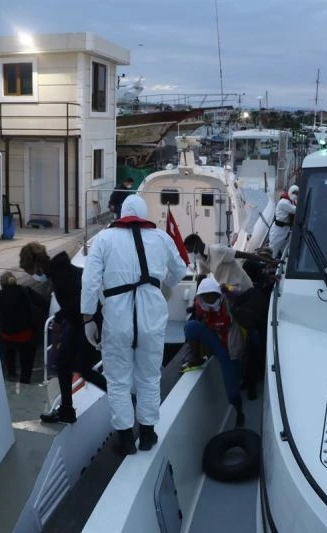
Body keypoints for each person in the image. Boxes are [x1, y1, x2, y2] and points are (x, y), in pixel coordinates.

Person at [81, 194, 187, 455]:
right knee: (150, 377)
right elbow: (180, 271)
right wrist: (165, 281)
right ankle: (148, 433)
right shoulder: (162, 238)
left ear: (121, 213)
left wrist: (87, 318)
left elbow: (90, 281)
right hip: (152, 318)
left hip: (117, 320)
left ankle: (126, 439)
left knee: (118, 380)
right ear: (144, 213)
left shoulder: (104, 239)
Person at [19, 242, 108, 424]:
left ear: (36, 265)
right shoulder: (59, 271)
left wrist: (58, 318)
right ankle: (66, 410)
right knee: (63, 363)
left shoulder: (61, 275)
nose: (34, 276)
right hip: (79, 322)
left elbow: (77, 301)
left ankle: (122, 398)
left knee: (82, 368)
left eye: (31, 271)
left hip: (88, 322)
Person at [184, 277, 246, 426]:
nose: (210, 298)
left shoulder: (228, 301)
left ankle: (239, 411)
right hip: (215, 342)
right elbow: (197, 325)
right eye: (206, 296)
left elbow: (242, 295)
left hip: (229, 347)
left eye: (213, 295)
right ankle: (196, 358)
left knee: (232, 386)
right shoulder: (200, 305)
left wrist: (228, 288)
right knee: (191, 326)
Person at [0, 271, 46, 384]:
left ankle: (11, 374)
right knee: (26, 360)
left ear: (2, 285)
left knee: (8, 352)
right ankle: (25, 381)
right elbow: (43, 302)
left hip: (7, 336)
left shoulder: (0, 295)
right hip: (26, 335)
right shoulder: (26, 291)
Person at [183, 233, 277, 293]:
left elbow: (244, 255)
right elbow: (201, 278)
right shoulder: (202, 261)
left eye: (189, 250)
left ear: (196, 245)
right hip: (228, 290)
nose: (190, 254)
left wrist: (270, 261)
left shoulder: (217, 250)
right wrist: (197, 296)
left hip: (243, 287)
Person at [269, 184, 299, 259]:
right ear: (290, 192)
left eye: (297, 193)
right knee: (273, 250)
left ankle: (281, 266)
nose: (295, 195)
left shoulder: (292, 202)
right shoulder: (284, 202)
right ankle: (266, 265)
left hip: (286, 229)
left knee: (285, 250)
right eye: (294, 193)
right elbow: (296, 210)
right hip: (278, 230)